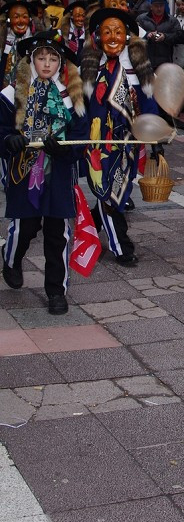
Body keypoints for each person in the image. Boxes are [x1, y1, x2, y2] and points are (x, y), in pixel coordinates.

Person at [0, 29, 87, 314]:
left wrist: (66, 150)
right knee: (24, 227)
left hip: (58, 174)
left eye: (53, 58)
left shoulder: (70, 96)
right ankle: (11, 259)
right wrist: (8, 140)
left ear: (61, 63)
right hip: (23, 171)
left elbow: (82, 135)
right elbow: (1, 130)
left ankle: (56, 291)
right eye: (41, 58)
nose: (47, 63)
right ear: (31, 61)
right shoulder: (11, 94)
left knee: (57, 233)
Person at [81, 8, 157, 266]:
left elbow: (149, 104)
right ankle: (121, 246)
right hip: (97, 144)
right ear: (98, 37)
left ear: (127, 37)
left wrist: (154, 138)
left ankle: (92, 221)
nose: (113, 37)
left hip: (128, 143)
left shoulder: (138, 68)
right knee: (106, 192)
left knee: (119, 192)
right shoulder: (91, 68)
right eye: (107, 32)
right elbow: (82, 107)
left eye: (119, 32)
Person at [0, 0, 37, 90]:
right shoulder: (3, 40)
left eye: (24, 17)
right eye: (16, 17)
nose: (20, 21)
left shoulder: (37, 40)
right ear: (8, 20)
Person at [137, 0, 179, 70]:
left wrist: (165, 37)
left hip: (165, 61)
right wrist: (147, 35)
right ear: (151, 7)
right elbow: (136, 35)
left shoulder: (172, 21)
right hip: (146, 60)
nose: (159, 9)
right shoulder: (142, 19)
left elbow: (178, 36)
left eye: (161, 6)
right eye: (156, 6)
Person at [60, 1, 87, 66]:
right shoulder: (62, 33)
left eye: (83, 16)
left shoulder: (88, 32)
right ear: (71, 16)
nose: (81, 19)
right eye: (77, 16)